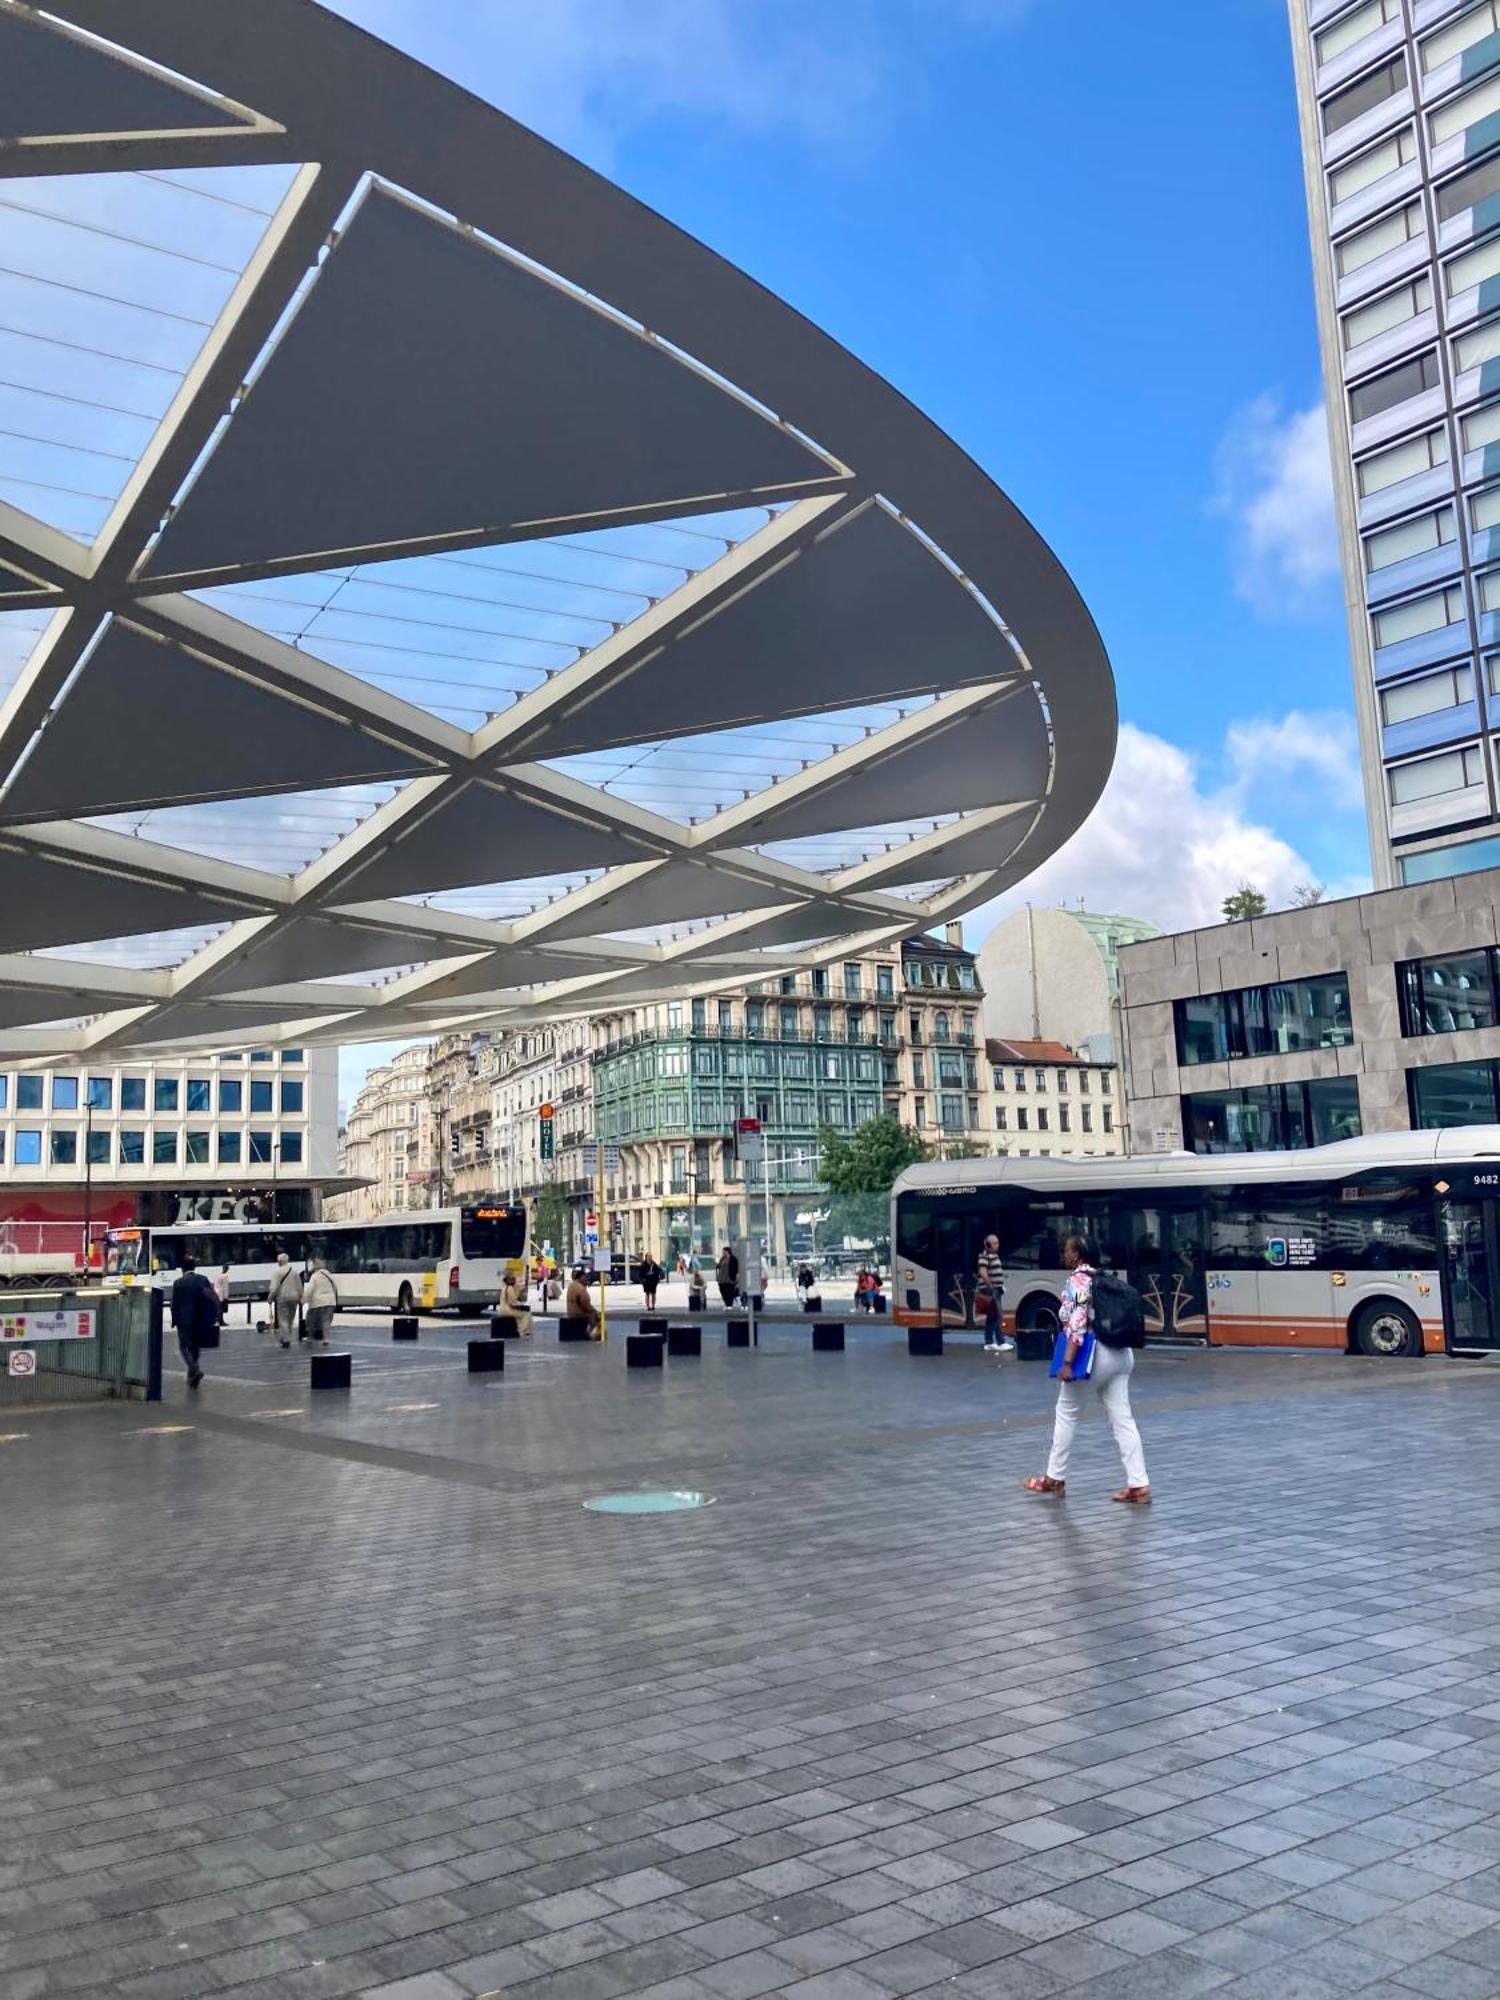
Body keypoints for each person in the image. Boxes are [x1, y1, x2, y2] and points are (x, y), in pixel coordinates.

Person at [1024, 1235, 1150, 1504]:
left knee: (1066, 1411)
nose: (1063, 1253)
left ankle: (1054, 1478)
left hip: (1096, 1354)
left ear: (1078, 1254)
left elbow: (1077, 1325)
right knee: (1123, 1419)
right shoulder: (1106, 1278)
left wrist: (1067, 1363)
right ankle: (1139, 1485)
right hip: (1122, 1354)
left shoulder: (1078, 1281)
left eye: (1068, 1250)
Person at [170, 1255, 220, 1389]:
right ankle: (192, 1376)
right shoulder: (202, 1279)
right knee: (195, 1347)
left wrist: (174, 1320)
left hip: (184, 1320)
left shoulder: (178, 1283)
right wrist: (214, 1316)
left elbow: (174, 1304)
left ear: (182, 1269)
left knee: (183, 1347)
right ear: (194, 1267)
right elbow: (211, 1297)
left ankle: (194, 1369)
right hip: (200, 1320)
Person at [976, 1232, 1014, 1355]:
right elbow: (983, 1272)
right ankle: (998, 1341)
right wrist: (991, 1286)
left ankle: (991, 1342)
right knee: (996, 1315)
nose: (998, 1245)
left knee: (993, 1316)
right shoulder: (984, 1256)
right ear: (988, 1244)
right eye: (995, 1243)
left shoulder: (994, 1255)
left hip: (996, 1289)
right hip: (990, 1290)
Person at [267, 1251, 303, 1349]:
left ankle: (285, 1340)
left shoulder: (277, 1272)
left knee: (283, 1319)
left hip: (282, 1298)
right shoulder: (295, 1272)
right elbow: (300, 1286)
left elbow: (274, 1288)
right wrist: (300, 1298)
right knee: (290, 1319)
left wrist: (270, 1298)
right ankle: (287, 1337)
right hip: (294, 1298)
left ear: (279, 1262)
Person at [304, 1259, 337, 1343]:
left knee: (311, 1320)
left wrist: (303, 1299)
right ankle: (326, 1338)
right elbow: (335, 1287)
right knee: (326, 1321)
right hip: (330, 1301)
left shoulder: (314, 1276)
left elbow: (310, 1290)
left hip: (317, 1302)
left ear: (315, 1266)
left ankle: (310, 1337)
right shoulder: (329, 1275)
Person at [565, 1265, 601, 1340]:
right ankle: (590, 1332)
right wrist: (595, 1311)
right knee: (594, 1315)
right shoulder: (580, 1288)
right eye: (585, 1277)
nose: (586, 1279)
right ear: (580, 1277)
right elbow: (585, 1304)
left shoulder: (571, 1285)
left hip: (570, 1312)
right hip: (578, 1313)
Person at [500, 1268, 533, 1338]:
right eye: (513, 1279)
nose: (514, 1280)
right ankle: (523, 1332)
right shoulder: (510, 1288)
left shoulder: (504, 1287)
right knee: (526, 1314)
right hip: (507, 1310)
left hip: (502, 1309)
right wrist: (520, 1305)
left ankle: (523, 1330)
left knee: (519, 1315)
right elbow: (512, 1302)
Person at [716, 1244, 739, 1308]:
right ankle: (726, 1302)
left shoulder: (733, 1259)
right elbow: (719, 1266)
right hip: (722, 1278)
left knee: (730, 1291)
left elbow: (736, 1268)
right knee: (722, 1290)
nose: (723, 1253)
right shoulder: (722, 1258)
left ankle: (729, 1304)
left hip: (730, 1278)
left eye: (724, 1251)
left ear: (727, 1251)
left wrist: (735, 1275)